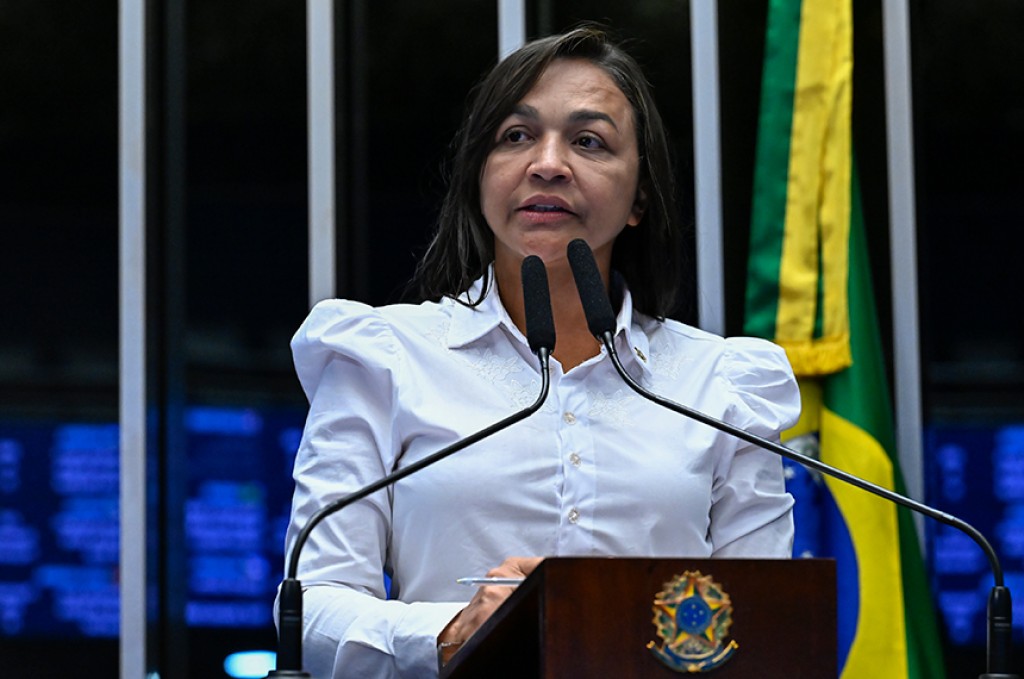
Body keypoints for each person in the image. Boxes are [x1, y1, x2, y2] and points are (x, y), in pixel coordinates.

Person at [282, 25, 799, 678]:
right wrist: (448, 631)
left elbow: (765, 623)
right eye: (516, 136)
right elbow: (313, 607)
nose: (548, 163)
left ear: (640, 197)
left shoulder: (721, 384)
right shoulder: (384, 359)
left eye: (589, 141)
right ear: (481, 177)